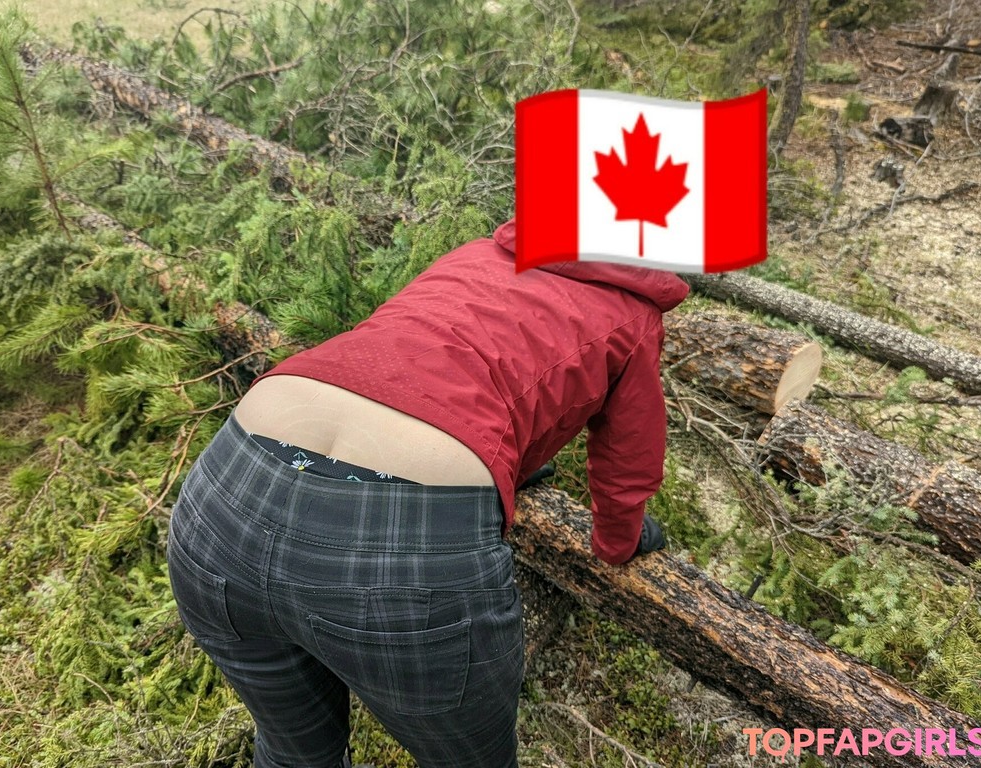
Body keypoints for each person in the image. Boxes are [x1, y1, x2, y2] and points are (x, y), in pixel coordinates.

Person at [166, 218, 688, 768]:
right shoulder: (635, 317)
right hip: (405, 555)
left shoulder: (476, 255)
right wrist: (617, 543)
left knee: (293, 750)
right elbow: (627, 460)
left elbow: (424, 363)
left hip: (222, 492)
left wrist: (511, 468)